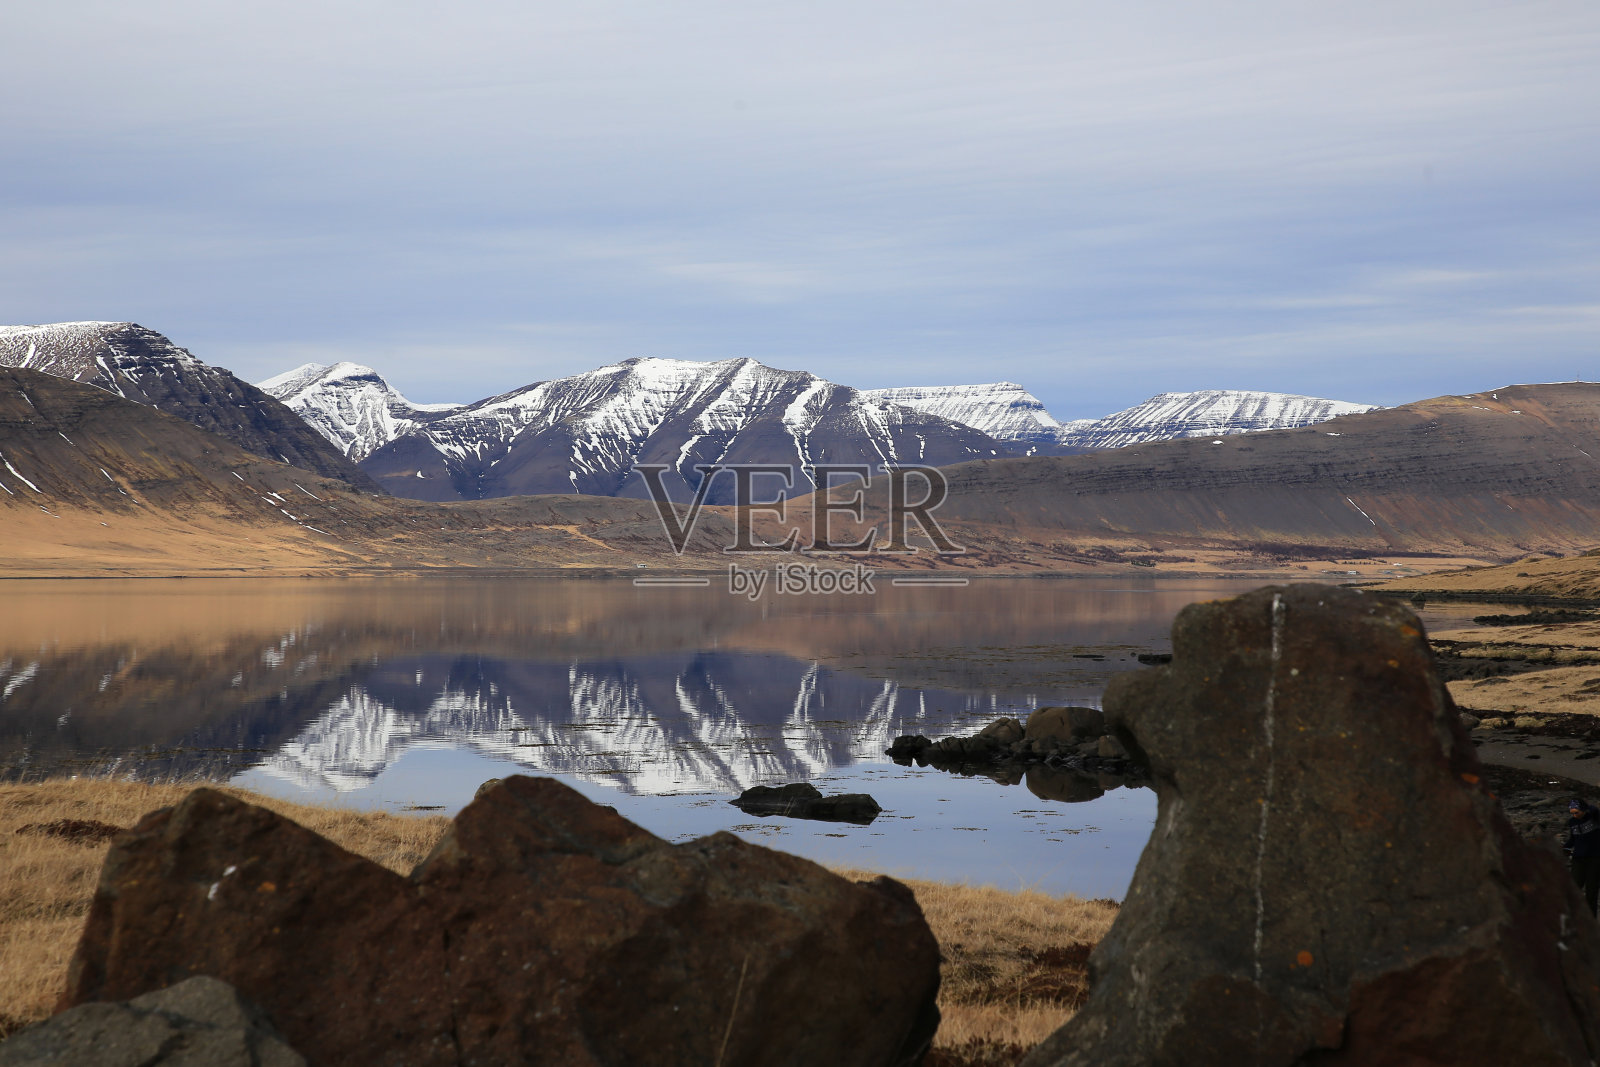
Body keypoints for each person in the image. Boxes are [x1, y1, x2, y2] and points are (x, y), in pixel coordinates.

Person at [1566, 798, 1600, 916]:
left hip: (1594, 859)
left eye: (1577, 812)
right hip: (1578, 860)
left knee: (1591, 892)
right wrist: (1565, 848)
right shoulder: (1572, 822)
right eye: (1572, 813)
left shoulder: (1594, 818)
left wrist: (1585, 807)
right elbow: (1573, 839)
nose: (1574, 815)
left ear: (1584, 810)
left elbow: (1594, 809)